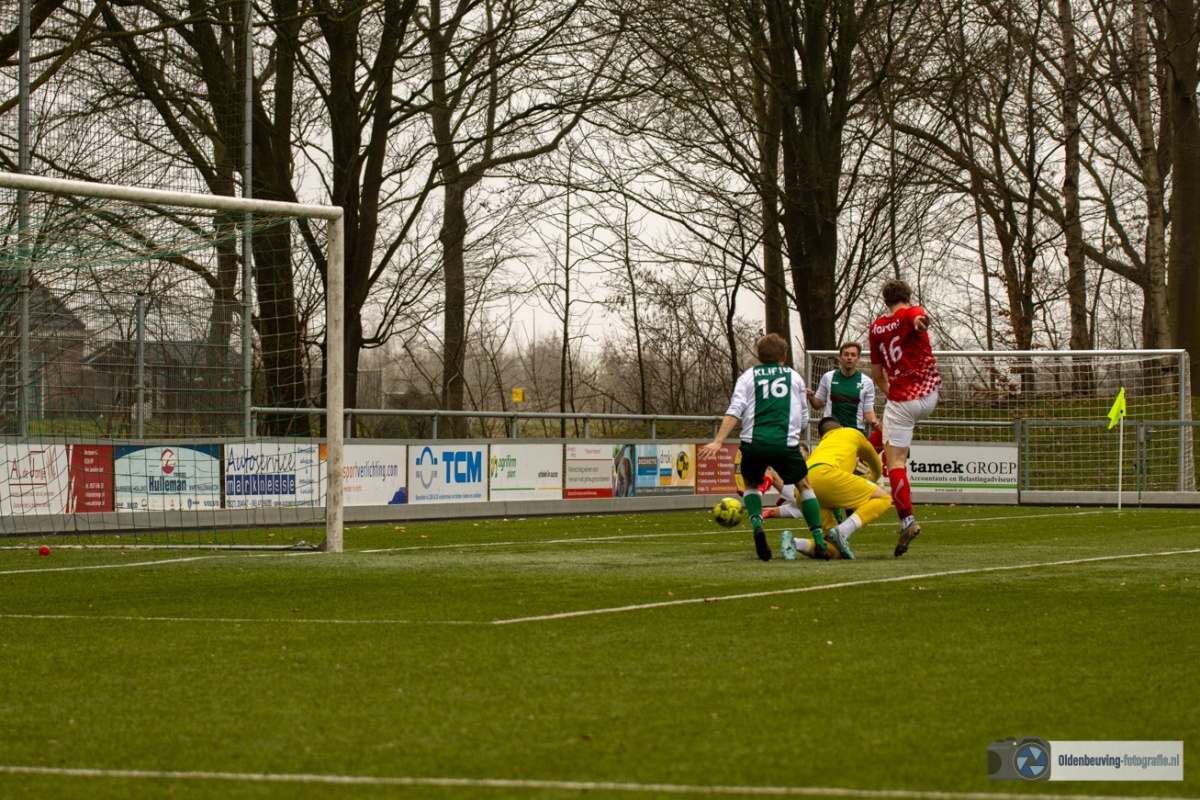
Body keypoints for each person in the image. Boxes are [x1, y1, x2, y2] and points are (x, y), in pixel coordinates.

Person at [699, 333, 827, 561]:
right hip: (785, 444)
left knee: (751, 484)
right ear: (784, 356)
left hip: (754, 443)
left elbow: (735, 409)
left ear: (759, 356)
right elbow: (804, 419)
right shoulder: (794, 377)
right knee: (804, 486)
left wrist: (718, 441)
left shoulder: (748, 376)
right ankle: (819, 541)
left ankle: (757, 525)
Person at [867, 279, 941, 557]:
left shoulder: (876, 328)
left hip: (902, 399)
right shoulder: (911, 312)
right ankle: (863, 456)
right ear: (908, 297)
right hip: (930, 395)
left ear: (885, 301)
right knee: (883, 431)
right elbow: (916, 317)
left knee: (896, 462)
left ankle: (907, 521)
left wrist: (894, 397)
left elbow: (877, 375)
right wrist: (920, 322)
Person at [773, 417, 893, 560]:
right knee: (884, 498)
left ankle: (795, 543)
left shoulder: (822, 445)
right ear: (841, 426)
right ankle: (843, 530)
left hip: (802, 487)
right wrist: (872, 478)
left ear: (822, 436)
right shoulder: (852, 432)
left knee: (833, 549)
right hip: (827, 474)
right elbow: (875, 462)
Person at [807, 341, 878, 434]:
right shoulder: (828, 377)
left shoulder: (867, 382)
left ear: (858, 358)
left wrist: (874, 422)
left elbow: (868, 411)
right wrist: (811, 397)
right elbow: (817, 404)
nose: (849, 358)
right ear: (840, 357)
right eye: (846, 354)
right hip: (831, 430)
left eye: (853, 355)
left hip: (855, 431)